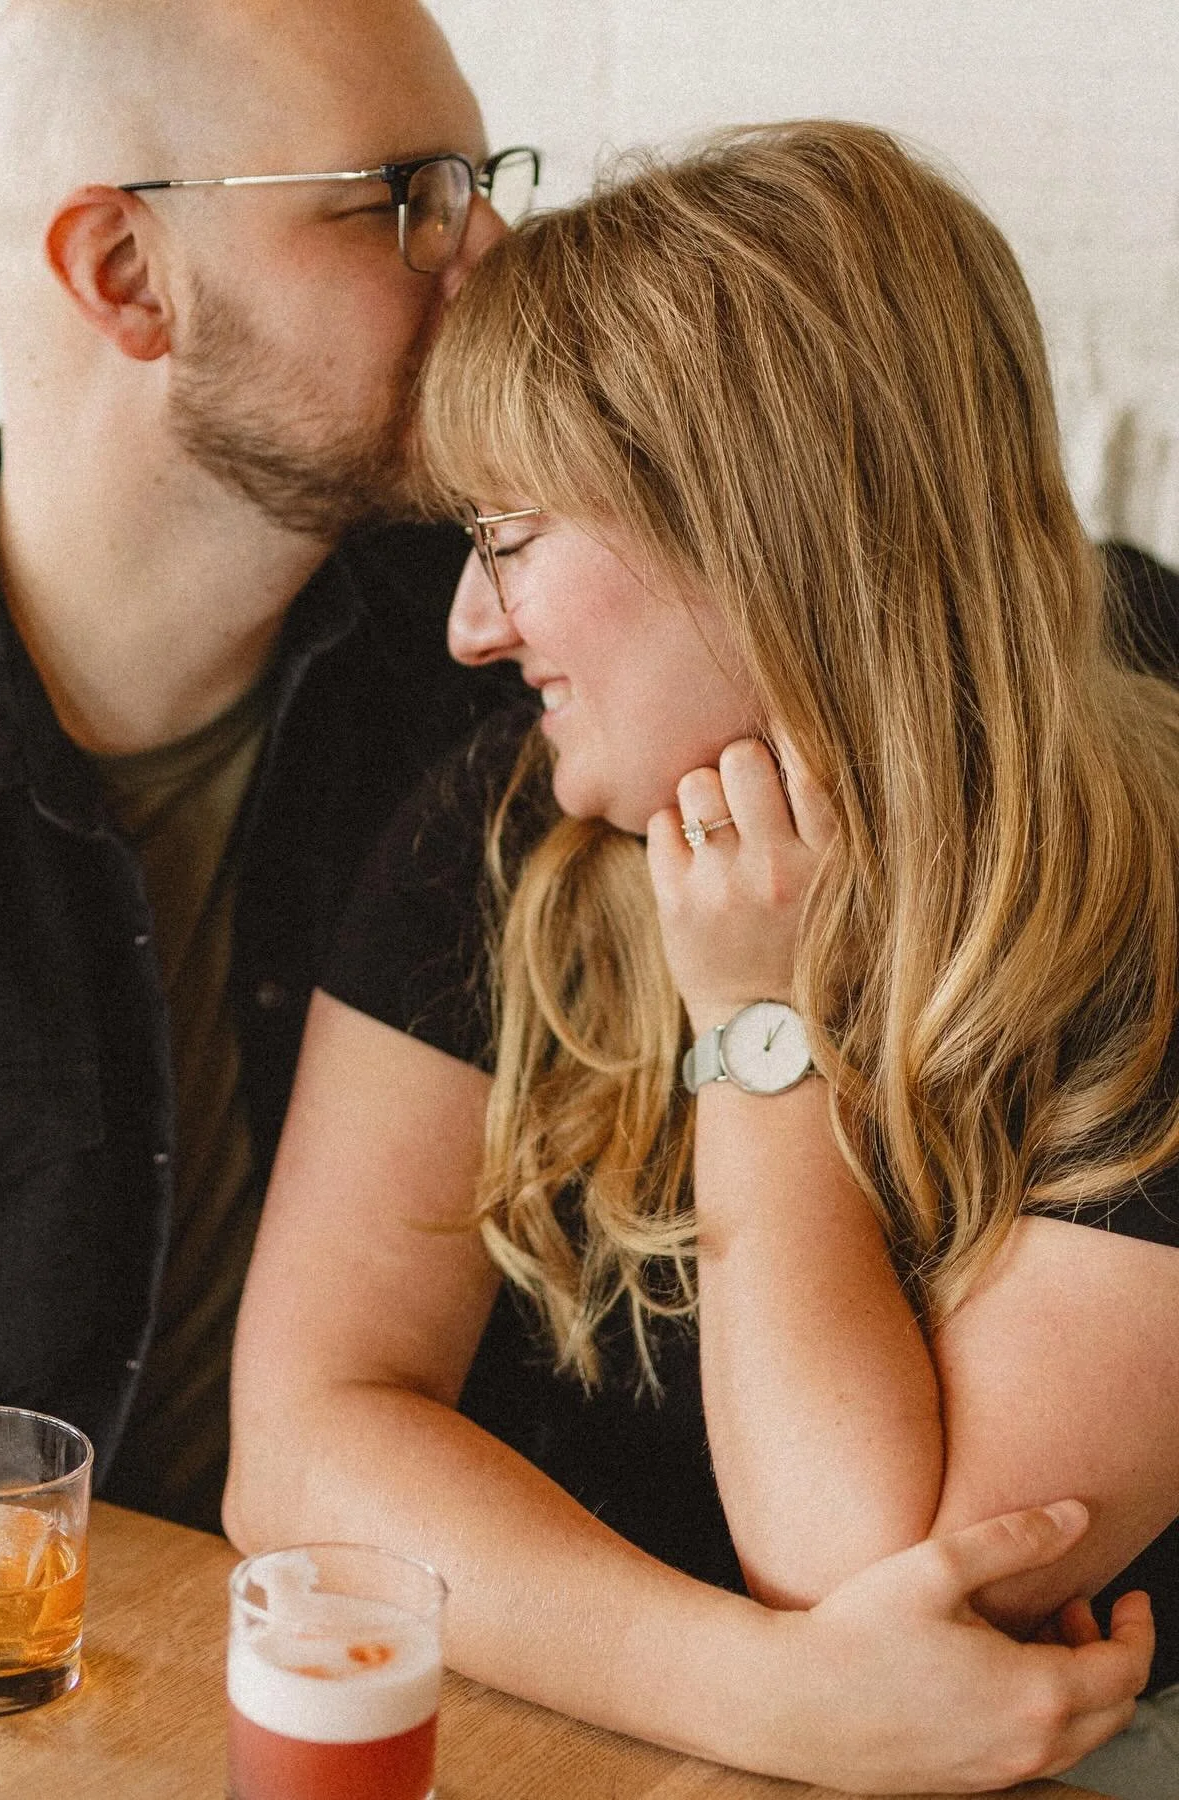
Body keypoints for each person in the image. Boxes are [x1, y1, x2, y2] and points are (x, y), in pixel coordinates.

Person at [224, 122, 1179, 1793]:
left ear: (759, 539)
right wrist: (758, 1696)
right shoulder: (512, 828)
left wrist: (759, 1033)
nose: (468, 624)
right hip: (599, 1736)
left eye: (509, 538)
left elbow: (875, 1571)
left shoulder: (1151, 891)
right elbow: (299, 1452)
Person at [0, 0, 535, 1622]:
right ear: (126, 276)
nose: (491, 246)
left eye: (483, 176)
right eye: (407, 196)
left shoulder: (516, 667)